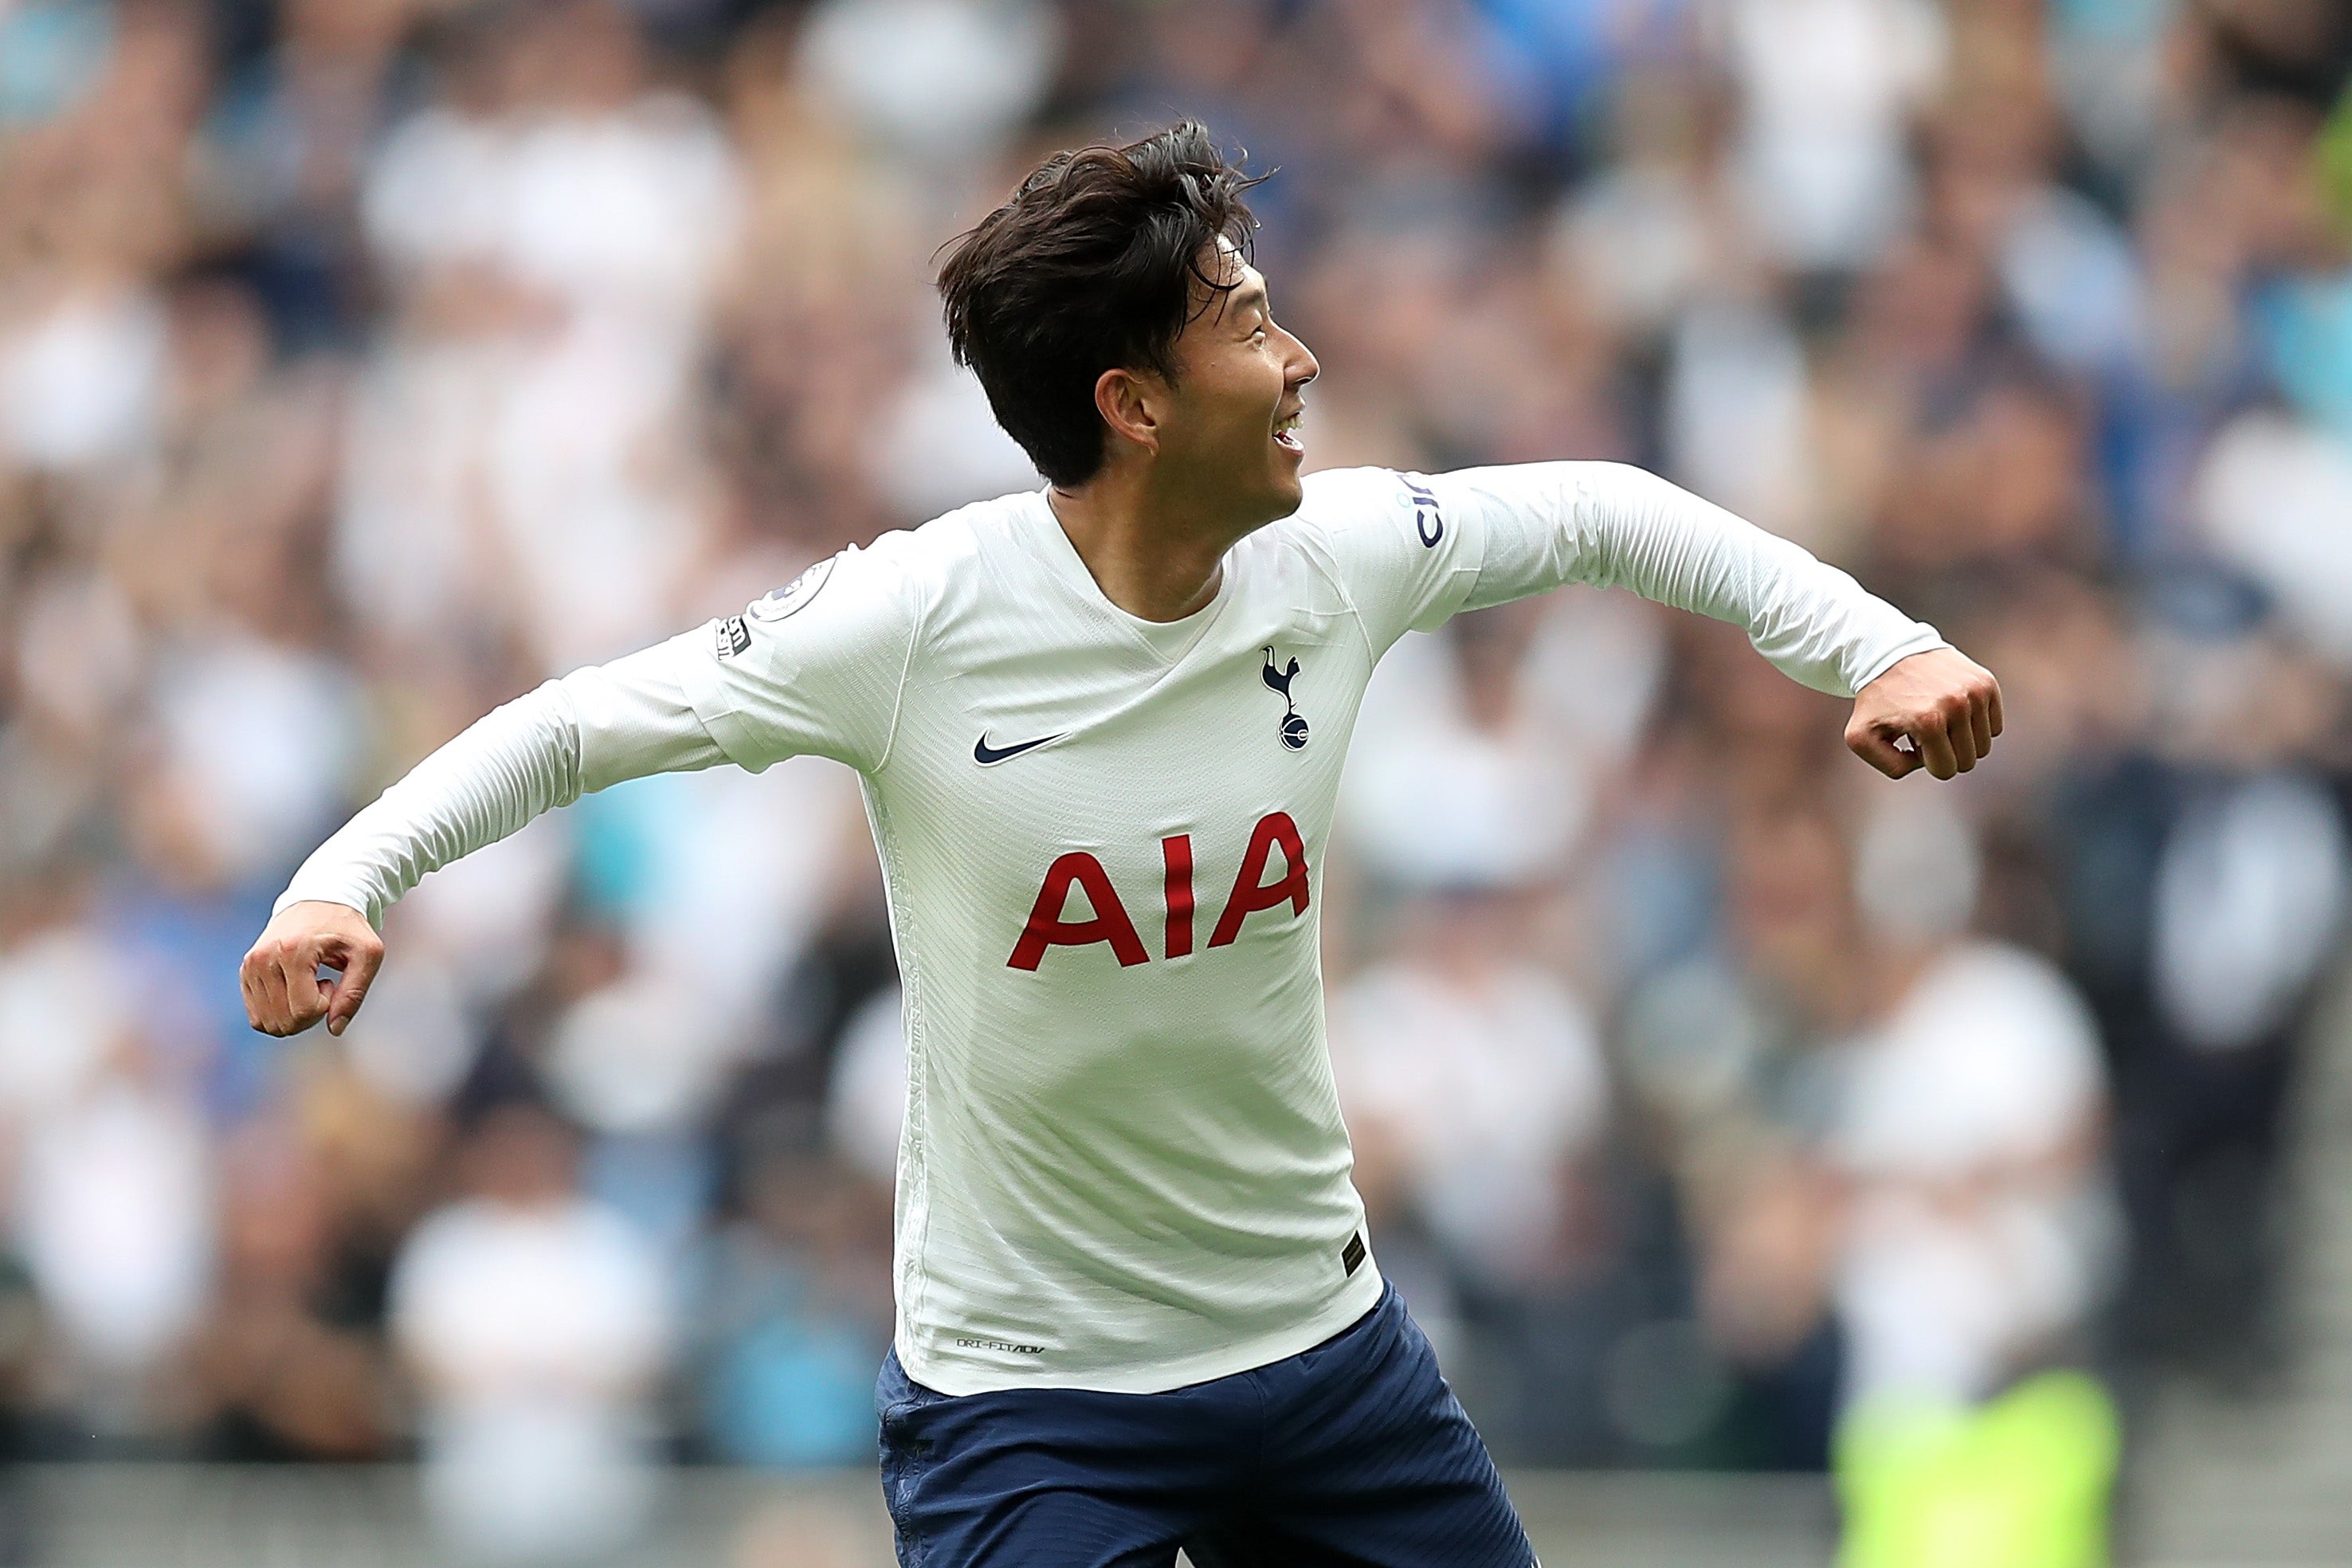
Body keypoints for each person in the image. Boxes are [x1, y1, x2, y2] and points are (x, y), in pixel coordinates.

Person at [241, 123, 2000, 1567]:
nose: (1299, 358)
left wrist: (1877, 643)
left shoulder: (1344, 553)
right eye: (1245, 324)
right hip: (1031, 1404)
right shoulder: (915, 618)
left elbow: (1613, 510)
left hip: (1323, 1360)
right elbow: (578, 721)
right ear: (1135, 403)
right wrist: (348, 873)